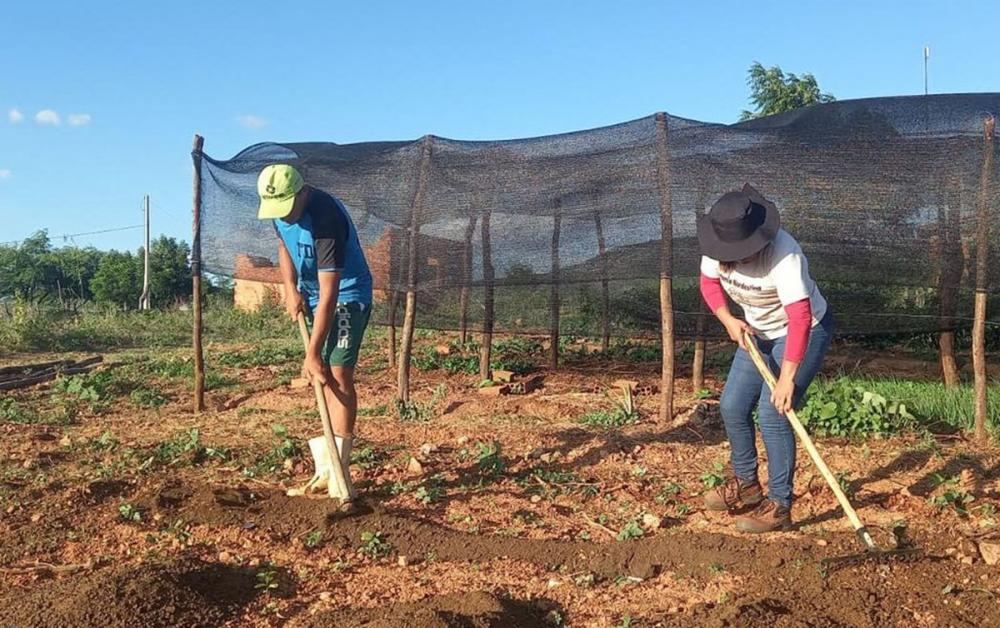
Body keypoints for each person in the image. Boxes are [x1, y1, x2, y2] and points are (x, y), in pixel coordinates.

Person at [696, 184, 834, 533]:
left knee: (773, 413)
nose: (740, 256)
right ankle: (747, 486)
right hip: (757, 331)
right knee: (731, 406)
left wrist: (787, 378)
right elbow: (709, 284)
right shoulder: (716, 247)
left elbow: (801, 318)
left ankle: (780, 506)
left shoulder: (785, 255)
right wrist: (729, 320)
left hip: (802, 330)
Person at [257, 164, 373, 501]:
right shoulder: (281, 213)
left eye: (287, 208)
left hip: (347, 295)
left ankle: (339, 471)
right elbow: (283, 245)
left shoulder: (326, 220)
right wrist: (290, 287)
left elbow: (331, 292)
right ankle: (326, 470)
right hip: (311, 293)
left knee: (337, 374)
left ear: (302, 192)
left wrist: (312, 355)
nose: (284, 216)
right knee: (322, 377)